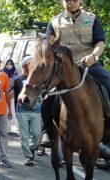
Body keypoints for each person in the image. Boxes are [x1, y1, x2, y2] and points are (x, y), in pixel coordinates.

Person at [41, 0, 110, 156]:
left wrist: (94, 56)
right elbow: (47, 45)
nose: (70, 2)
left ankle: (108, 129)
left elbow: (100, 42)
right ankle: (45, 131)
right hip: (64, 68)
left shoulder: (91, 18)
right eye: (66, 0)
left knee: (109, 83)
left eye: (73, 0)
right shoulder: (54, 22)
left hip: (89, 64)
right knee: (46, 96)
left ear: (81, 2)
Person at [13, 56, 42, 166]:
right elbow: (12, 93)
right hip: (22, 111)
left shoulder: (39, 79)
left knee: (36, 134)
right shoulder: (18, 80)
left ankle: (31, 147)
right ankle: (28, 156)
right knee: (24, 135)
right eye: (31, 64)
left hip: (36, 110)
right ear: (25, 66)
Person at [2, 59, 19, 134]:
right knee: (4, 111)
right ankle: (5, 127)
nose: (9, 65)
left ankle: (15, 127)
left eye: (10, 64)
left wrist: (14, 93)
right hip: (3, 95)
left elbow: (17, 85)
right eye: (7, 64)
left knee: (12, 110)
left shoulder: (15, 74)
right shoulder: (2, 73)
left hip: (12, 95)